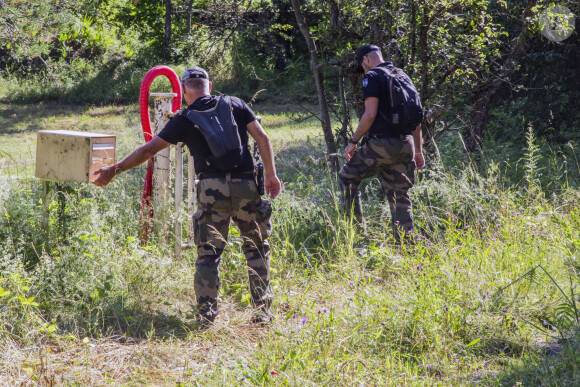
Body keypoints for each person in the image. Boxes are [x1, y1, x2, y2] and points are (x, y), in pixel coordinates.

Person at [93, 66, 281, 325]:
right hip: (246, 185)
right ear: (210, 85)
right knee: (257, 248)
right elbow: (263, 138)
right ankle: (263, 314)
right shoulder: (235, 104)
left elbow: (148, 149)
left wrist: (115, 169)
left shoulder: (183, 119)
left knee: (209, 254)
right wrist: (271, 175)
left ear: (183, 91)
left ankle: (206, 317)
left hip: (211, 190)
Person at [339, 45, 425, 240]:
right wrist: (418, 151)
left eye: (362, 66)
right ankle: (406, 243)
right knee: (399, 194)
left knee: (346, 177)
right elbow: (416, 116)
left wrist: (353, 142)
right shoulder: (402, 75)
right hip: (405, 144)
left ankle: (357, 235)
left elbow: (369, 114)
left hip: (381, 145)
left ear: (366, 59)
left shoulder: (372, 77)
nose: (363, 71)